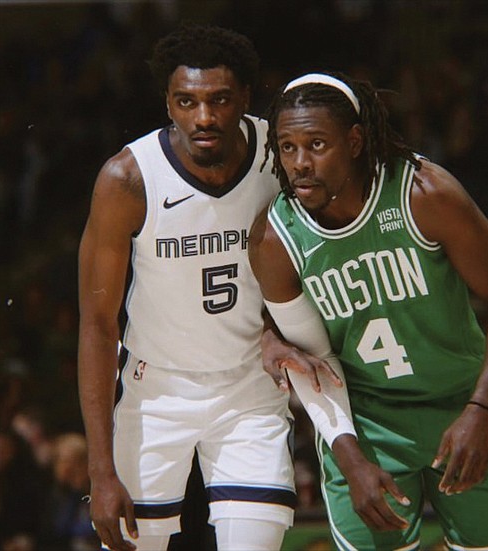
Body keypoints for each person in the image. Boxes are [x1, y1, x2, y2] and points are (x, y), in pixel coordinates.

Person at [249, 72, 488, 550]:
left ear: (356, 141)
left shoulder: (423, 194)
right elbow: (312, 364)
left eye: (317, 144)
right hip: (365, 425)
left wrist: (482, 408)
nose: (300, 163)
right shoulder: (278, 238)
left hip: (461, 407)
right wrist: (349, 456)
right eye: (287, 147)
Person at [78, 23, 333, 551]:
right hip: (154, 390)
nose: (205, 117)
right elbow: (98, 326)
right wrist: (100, 471)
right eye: (186, 101)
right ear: (167, 104)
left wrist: (273, 327)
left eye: (219, 99)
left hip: (249, 389)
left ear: (245, 96)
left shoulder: (278, 155)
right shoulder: (128, 179)